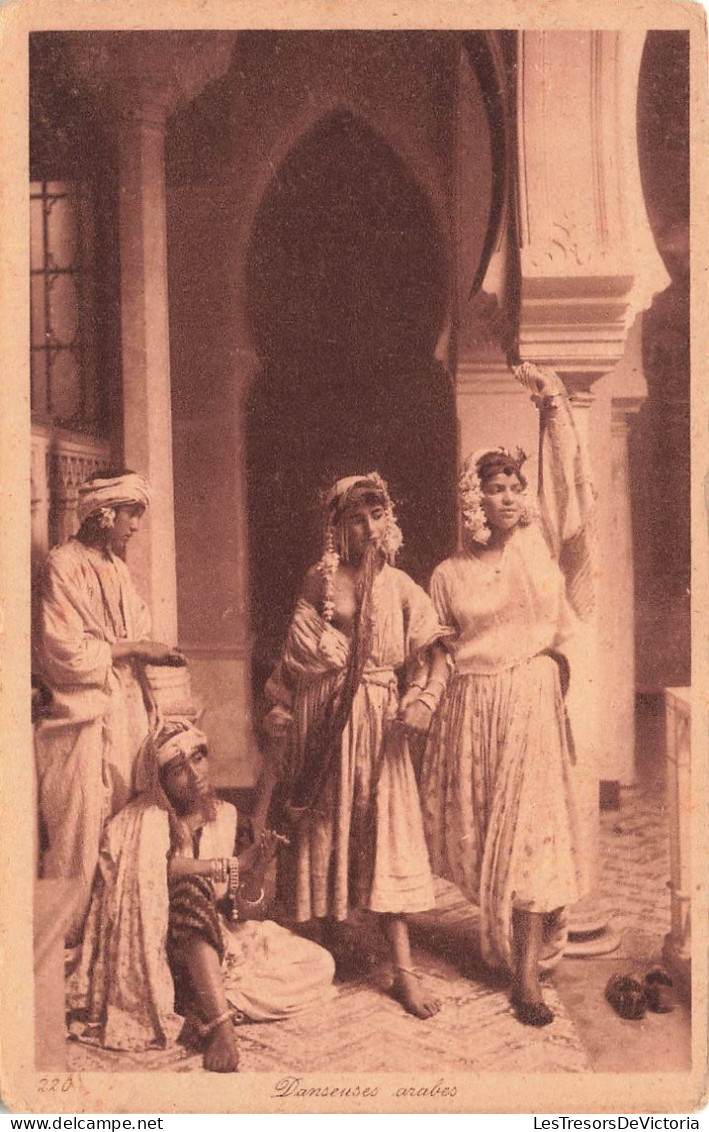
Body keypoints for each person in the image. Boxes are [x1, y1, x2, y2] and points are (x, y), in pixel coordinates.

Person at [420, 363, 595, 1027]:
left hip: (529, 703)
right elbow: (436, 655)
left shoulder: (537, 547)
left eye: (515, 486)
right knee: (483, 845)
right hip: (472, 712)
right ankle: (508, 946)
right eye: (496, 487)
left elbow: (567, 486)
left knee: (533, 839)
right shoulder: (447, 575)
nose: (509, 496)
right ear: (474, 498)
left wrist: (551, 408)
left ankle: (526, 979)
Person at [263, 472, 451, 1019]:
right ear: (337, 527)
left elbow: (436, 652)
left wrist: (424, 698)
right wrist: (277, 707)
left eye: (376, 516)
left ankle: (405, 972)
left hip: (378, 721)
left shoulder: (400, 587)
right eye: (355, 518)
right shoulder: (317, 582)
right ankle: (329, 938)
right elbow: (290, 664)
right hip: (320, 722)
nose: (367, 528)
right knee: (324, 825)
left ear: (387, 521)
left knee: (386, 830)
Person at [69, 719, 336, 1073]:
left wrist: (257, 868)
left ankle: (201, 1004)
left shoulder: (226, 817)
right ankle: (222, 1024)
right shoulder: (142, 821)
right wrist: (222, 865)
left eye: (198, 759)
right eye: (178, 769)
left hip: (215, 945)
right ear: (160, 781)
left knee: (320, 964)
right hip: (159, 949)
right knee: (191, 892)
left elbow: (241, 910)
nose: (193, 774)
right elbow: (156, 872)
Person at [34, 469, 184, 947]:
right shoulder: (61, 565)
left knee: (123, 824)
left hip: (125, 710)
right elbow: (64, 653)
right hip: (80, 718)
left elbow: (136, 630)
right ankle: (69, 941)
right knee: (80, 831)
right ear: (103, 514)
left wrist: (144, 653)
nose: (135, 524)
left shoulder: (117, 568)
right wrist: (135, 648)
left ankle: (114, 940)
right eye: (131, 513)